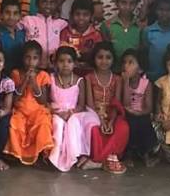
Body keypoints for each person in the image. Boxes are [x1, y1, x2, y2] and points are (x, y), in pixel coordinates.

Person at [48, 46, 100, 172]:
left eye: (69, 61)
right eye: (61, 61)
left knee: (73, 123)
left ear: (75, 63)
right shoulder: (51, 79)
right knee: (57, 123)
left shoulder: (79, 80)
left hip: (74, 112)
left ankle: (74, 155)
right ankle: (55, 156)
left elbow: (81, 105)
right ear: (55, 63)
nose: (65, 64)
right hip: (56, 112)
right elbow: (47, 101)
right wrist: (57, 112)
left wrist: (70, 113)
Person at [5, 40, 53, 165]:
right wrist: (24, 81)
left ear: (40, 60)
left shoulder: (43, 75)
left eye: (35, 58)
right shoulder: (16, 73)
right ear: (22, 58)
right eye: (27, 57)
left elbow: (43, 101)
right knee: (14, 123)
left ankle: (40, 153)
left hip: (37, 110)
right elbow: (14, 99)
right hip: (20, 110)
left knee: (43, 123)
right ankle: (17, 154)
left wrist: (34, 84)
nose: (31, 62)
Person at [86, 42, 129, 174]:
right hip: (93, 114)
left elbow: (116, 103)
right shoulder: (89, 78)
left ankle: (104, 159)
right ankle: (104, 159)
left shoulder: (117, 79)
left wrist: (110, 121)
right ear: (94, 58)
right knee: (94, 129)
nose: (104, 61)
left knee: (123, 127)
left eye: (108, 57)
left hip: (112, 115)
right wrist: (100, 120)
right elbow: (90, 104)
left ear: (113, 59)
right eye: (100, 57)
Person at [121, 49, 156, 166]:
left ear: (140, 69)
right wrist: (126, 82)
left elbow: (149, 107)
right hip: (126, 112)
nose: (126, 66)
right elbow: (125, 103)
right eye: (124, 62)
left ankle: (145, 154)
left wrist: (140, 113)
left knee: (144, 123)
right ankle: (128, 155)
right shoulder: (121, 81)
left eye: (130, 62)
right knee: (129, 123)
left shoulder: (146, 83)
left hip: (141, 113)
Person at [21, 0, 68, 70]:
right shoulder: (28, 20)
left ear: (56, 4)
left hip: (53, 68)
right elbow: (12, 26)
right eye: (44, 2)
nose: (48, 6)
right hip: (34, 67)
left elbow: (74, 24)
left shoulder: (60, 22)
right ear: (37, 3)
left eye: (52, 2)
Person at [59, 0, 103, 75]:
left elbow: (99, 55)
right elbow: (61, 54)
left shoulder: (96, 35)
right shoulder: (65, 32)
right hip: (69, 74)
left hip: (91, 74)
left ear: (91, 16)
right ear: (71, 15)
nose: (81, 18)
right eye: (77, 14)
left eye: (85, 15)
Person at [100, 0, 142, 65]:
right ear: (116, 3)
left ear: (136, 4)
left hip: (134, 69)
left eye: (132, 3)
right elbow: (105, 50)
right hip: (113, 69)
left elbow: (142, 49)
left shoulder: (140, 26)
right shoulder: (107, 25)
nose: (127, 7)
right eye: (123, 3)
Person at [0, 0, 26, 74]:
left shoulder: (24, 33)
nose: (11, 17)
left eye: (15, 13)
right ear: (0, 15)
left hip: (21, 74)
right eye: (7, 13)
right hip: (4, 74)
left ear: (20, 16)